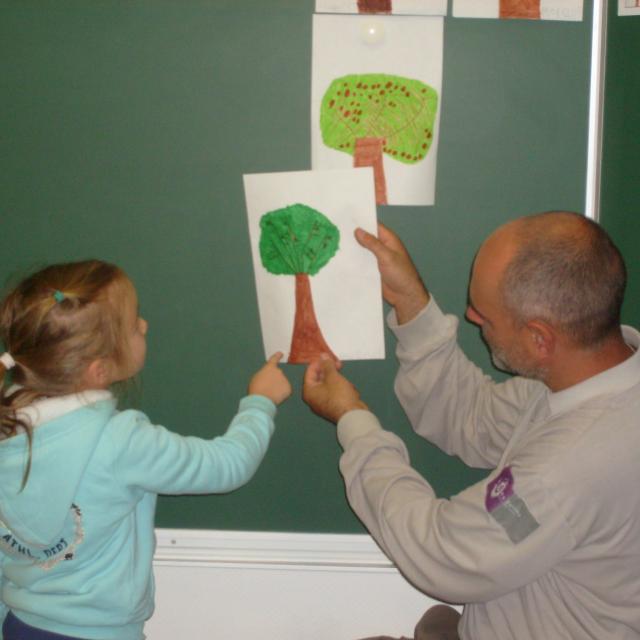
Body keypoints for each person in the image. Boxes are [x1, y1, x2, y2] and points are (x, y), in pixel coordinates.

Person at [303, 211, 640, 640]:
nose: (471, 316)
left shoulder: (567, 469)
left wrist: (351, 418)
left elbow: (441, 553)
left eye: (484, 316)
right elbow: (473, 417)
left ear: (540, 339)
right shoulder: (591, 377)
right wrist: (412, 304)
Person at [0, 260, 291, 640]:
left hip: (21, 625)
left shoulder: (8, 423)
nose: (145, 326)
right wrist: (260, 402)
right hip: (99, 632)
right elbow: (227, 464)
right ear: (99, 370)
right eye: (135, 322)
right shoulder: (120, 441)